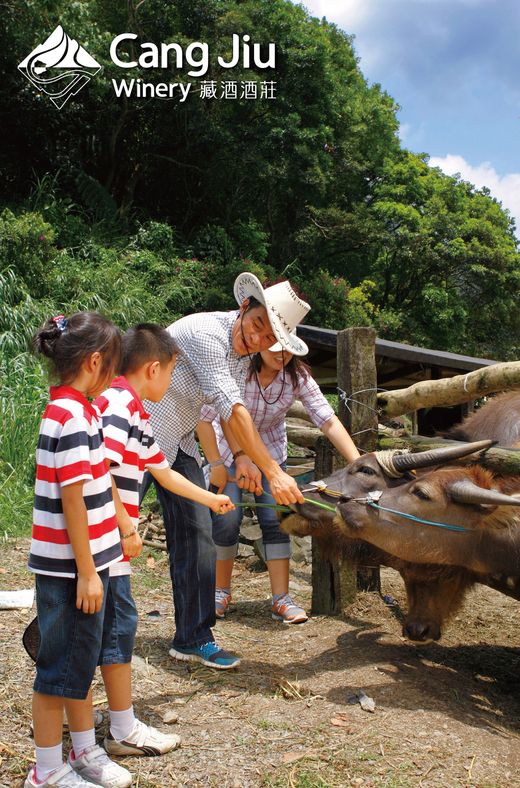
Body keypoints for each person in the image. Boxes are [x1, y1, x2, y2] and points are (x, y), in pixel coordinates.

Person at [143, 273, 308, 668]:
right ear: (244, 306)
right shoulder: (206, 334)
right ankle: (70, 622)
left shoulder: (242, 356)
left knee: (199, 537)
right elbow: (232, 408)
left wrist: (243, 457)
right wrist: (273, 472)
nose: (258, 339)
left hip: (179, 444)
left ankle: (192, 638)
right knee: (108, 533)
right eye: (257, 325)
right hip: (137, 434)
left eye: (270, 337)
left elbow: (226, 410)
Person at [93, 324, 234, 757]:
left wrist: (210, 499)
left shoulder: (134, 410)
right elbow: (100, 470)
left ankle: (80, 709)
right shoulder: (118, 405)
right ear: (153, 369)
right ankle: (120, 728)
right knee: (116, 624)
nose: (172, 383)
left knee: (107, 625)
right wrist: (127, 527)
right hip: (102, 540)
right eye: (171, 373)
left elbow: (165, 473)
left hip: (107, 540)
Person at [27, 312, 133, 788]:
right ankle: (46, 771)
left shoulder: (78, 410)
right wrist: (87, 572)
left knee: (78, 661)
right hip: (72, 570)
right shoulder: (69, 417)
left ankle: (84, 749)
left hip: (89, 563)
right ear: (94, 362)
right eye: (112, 363)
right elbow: (72, 500)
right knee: (58, 669)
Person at [198, 337, 360, 623]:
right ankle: (219, 592)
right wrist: (237, 457)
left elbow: (327, 419)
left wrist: (358, 463)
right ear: (261, 343)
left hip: (272, 455)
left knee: (277, 520)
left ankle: (281, 599)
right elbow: (216, 416)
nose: (281, 353)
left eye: (287, 347)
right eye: (274, 346)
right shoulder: (237, 368)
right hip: (230, 452)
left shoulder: (297, 377)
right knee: (227, 518)